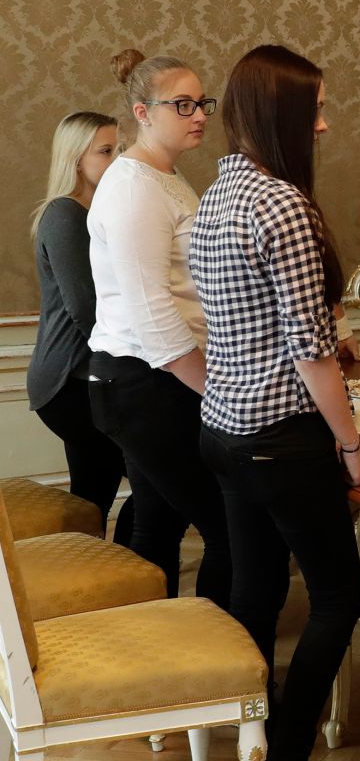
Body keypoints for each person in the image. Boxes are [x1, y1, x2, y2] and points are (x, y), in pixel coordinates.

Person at [191, 44, 360, 761]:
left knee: (255, 596)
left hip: (223, 428)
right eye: (317, 109)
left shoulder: (215, 197)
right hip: (281, 433)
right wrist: (352, 439)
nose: (326, 123)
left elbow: (249, 326)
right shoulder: (282, 205)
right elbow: (310, 346)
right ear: (283, 115)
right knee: (339, 593)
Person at [86, 50, 230, 601]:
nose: (199, 115)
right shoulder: (133, 187)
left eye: (202, 103)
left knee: (159, 524)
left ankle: (163, 658)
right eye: (183, 104)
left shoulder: (165, 177)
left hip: (157, 379)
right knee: (228, 529)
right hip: (142, 382)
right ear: (143, 113)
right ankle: (221, 662)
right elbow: (154, 317)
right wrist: (218, 393)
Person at [27, 112, 135, 545]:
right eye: (106, 151)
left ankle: (93, 585)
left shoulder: (94, 212)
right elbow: (86, 308)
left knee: (93, 492)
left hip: (83, 374)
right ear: (75, 159)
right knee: (153, 479)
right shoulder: (65, 215)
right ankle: (134, 572)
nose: (118, 159)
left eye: (120, 149)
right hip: (68, 381)